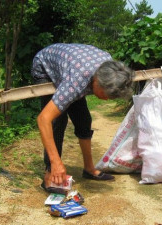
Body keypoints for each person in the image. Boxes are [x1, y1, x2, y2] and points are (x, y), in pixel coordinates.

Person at [31, 43, 134, 192]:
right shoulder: (76, 81)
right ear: (96, 82)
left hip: (73, 68)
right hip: (44, 65)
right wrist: (56, 162)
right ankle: (50, 173)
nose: (106, 100)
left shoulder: (110, 68)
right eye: (105, 95)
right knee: (57, 121)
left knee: (84, 120)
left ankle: (89, 168)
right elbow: (43, 119)